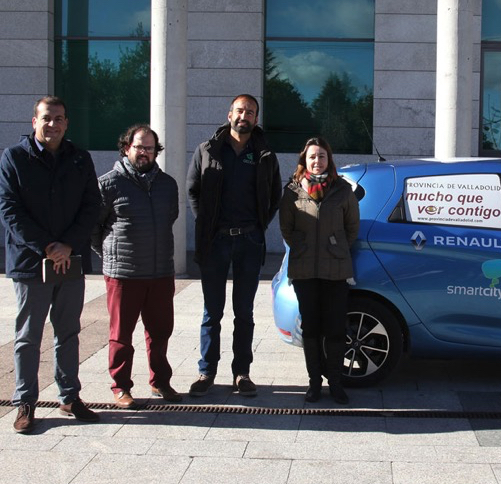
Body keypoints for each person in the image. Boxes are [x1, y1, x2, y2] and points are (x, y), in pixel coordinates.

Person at [0, 96, 102, 433]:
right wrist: (46, 245)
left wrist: (67, 245)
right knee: (28, 336)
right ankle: (25, 402)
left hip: (70, 261)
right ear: (34, 122)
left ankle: (69, 397)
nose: (53, 124)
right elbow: (9, 209)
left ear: (66, 123)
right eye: (46, 118)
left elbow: (92, 205)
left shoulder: (80, 158)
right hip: (30, 263)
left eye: (59, 119)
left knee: (68, 332)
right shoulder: (14, 157)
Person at [186, 94, 282, 397]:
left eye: (250, 112)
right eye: (240, 110)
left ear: (256, 119)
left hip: (249, 241)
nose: (244, 116)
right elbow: (193, 190)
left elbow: (275, 195)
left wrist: (259, 226)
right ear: (229, 115)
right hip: (215, 241)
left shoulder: (265, 154)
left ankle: (242, 373)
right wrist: (207, 224)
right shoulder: (207, 150)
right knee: (212, 312)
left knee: (244, 312)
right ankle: (206, 372)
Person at [91, 125, 182, 409]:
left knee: (161, 331)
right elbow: (93, 228)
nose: (144, 152)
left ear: (156, 151)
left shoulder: (168, 184)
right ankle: (121, 387)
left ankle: (160, 382)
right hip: (124, 274)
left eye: (150, 148)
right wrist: (111, 256)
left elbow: (170, 217)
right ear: (126, 148)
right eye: (139, 146)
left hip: (160, 272)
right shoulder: (108, 183)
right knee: (121, 335)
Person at [279, 137, 360, 404]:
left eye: (322, 156)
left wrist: (336, 246)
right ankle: (314, 383)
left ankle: (335, 383)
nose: (317, 161)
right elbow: (286, 229)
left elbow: (352, 228)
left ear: (329, 159)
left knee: (335, 329)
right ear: (304, 160)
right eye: (312, 156)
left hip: (335, 269)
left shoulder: (342, 190)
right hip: (304, 270)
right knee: (311, 329)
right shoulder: (292, 191)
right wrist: (302, 246)